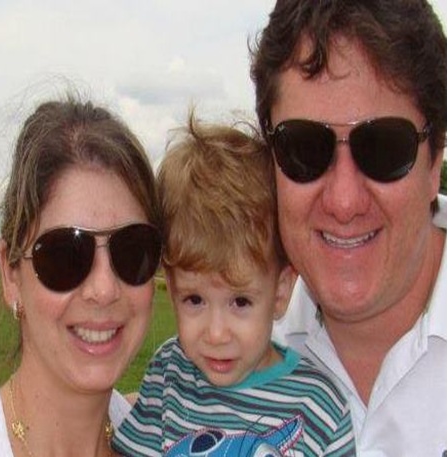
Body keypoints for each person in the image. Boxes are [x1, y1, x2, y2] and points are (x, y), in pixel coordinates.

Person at [0, 94, 163, 457]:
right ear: (10, 275)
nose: (104, 288)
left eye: (132, 250)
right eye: (65, 255)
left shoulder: (164, 436)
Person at [250, 0, 446, 455]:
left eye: (383, 147)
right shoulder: (232, 352)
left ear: (435, 159)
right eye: (304, 148)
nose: (343, 202)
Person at [112, 114, 356, 456]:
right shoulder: (168, 373)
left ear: (281, 292)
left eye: (240, 302)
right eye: (194, 299)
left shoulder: (320, 407)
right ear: (172, 285)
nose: (216, 334)